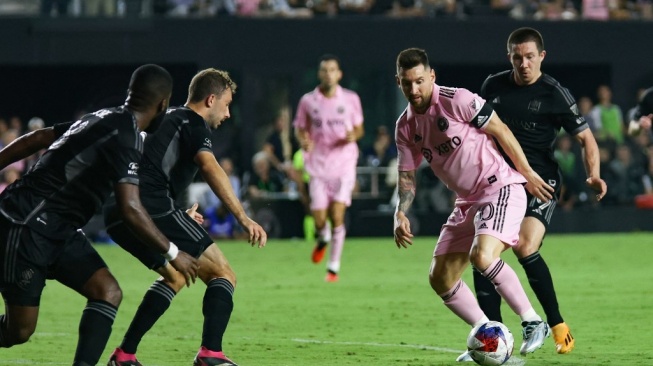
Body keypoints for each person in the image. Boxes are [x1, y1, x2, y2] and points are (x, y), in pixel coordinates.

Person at [0, 64, 199, 366]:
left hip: (58, 227)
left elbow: (39, 137)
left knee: (107, 291)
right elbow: (130, 208)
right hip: (26, 223)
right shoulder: (126, 134)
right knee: (20, 330)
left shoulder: (103, 118)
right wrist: (173, 252)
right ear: (163, 104)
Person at [392, 48, 554, 359]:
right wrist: (401, 211)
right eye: (406, 83)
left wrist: (528, 174)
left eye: (419, 81)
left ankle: (533, 321)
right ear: (397, 82)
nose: (414, 90)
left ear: (432, 77)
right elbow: (407, 176)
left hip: (500, 187)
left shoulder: (456, 100)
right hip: (467, 202)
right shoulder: (405, 127)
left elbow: (501, 131)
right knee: (440, 277)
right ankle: (487, 335)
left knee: (481, 256)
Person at [103, 68, 267, 366]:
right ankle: (210, 355)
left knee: (176, 274)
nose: (228, 114)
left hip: (118, 211)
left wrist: (179, 212)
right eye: (227, 105)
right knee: (222, 273)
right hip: (148, 206)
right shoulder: (194, 122)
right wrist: (243, 217)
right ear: (211, 99)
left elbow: (153, 165)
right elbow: (210, 167)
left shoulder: (166, 119)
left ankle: (124, 355)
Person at [467, 27, 608, 360]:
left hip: (540, 181)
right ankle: (493, 338)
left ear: (541, 56)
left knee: (526, 246)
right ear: (509, 57)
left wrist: (594, 174)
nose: (524, 63)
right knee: (485, 252)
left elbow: (586, 138)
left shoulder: (554, 93)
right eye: (517, 57)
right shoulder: (493, 86)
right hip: (499, 181)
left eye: (530, 56)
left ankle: (557, 324)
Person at [293, 54, 364, 282]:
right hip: (318, 167)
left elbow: (360, 128)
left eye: (332, 70)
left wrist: (355, 135)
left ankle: (333, 267)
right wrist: (303, 139)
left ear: (339, 74)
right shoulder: (308, 101)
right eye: (324, 70)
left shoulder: (351, 99)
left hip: (343, 165)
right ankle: (322, 238)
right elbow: (300, 128)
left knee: (337, 214)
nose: (328, 74)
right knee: (320, 220)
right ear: (319, 74)